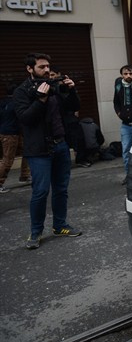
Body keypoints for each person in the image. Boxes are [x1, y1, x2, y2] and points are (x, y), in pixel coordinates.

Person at [14, 53, 83, 249]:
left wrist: (71, 91)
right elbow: (26, 119)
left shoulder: (53, 87)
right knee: (40, 191)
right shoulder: (22, 91)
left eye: (48, 67)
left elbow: (73, 107)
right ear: (30, 69)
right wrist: (40, 100)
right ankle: (35, 232)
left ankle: (60, 225)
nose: (46, 70)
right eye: (41, 67)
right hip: (38, 150)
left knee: (61, 189)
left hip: (60, 145)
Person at [0, 83, 31, 193]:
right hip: (12, 133)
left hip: (6, 132)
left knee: (26, 152)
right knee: (8, 159)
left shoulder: (3, 102)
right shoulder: (15, 104)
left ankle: (25, 175)